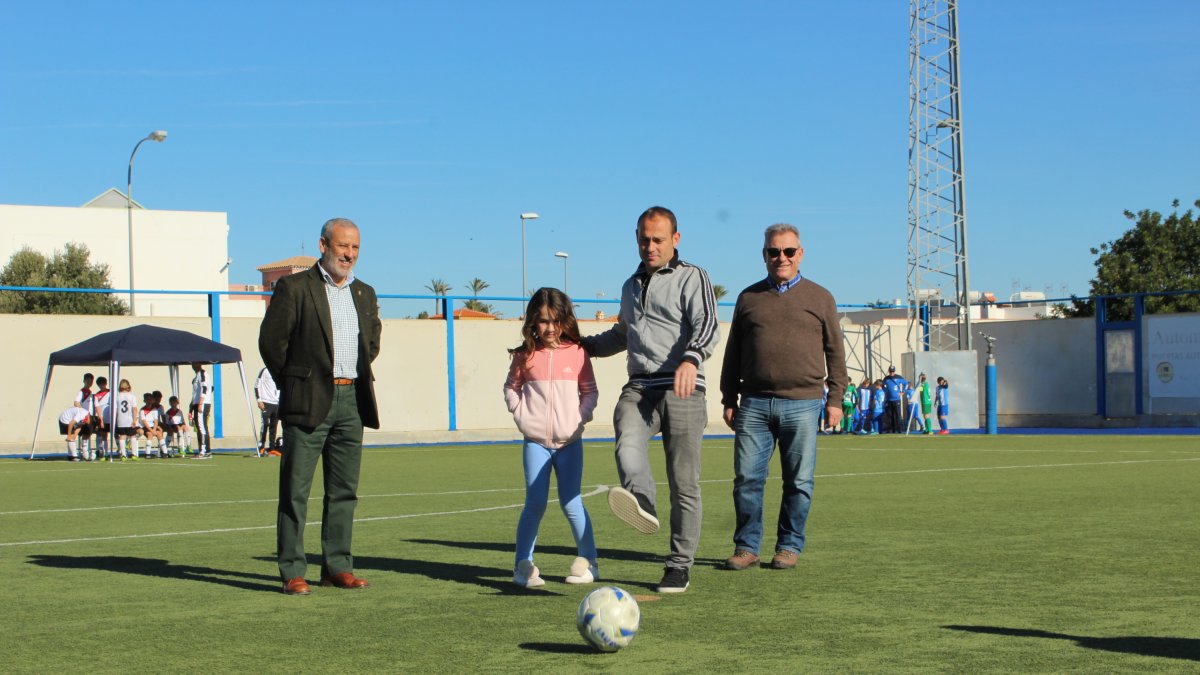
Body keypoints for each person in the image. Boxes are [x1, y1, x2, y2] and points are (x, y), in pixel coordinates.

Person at [581, 205, 720, 594]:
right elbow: (622, 334)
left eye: (658, 239)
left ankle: (678, 566)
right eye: (644, 239)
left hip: (683, 387)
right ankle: (641, 498)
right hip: (640, 385)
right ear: (636, 238)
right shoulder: (630, 286)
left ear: (676, 239)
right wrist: (581, 346)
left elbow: (707, 325)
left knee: (684, 483)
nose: (650, 246)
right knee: (626, 440)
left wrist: (691, 359)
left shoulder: (693, 277)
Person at [259, 217, 382, 596]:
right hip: (308, 400)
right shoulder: (294, 288)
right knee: (295, 491)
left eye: (355, 248)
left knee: (344, 490)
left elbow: (371, 344)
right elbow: (272, 343)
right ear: (324, 245)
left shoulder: (364, 292)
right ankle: (292, 570)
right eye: (343, 246)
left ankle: (337, 566)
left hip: (352, 401)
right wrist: (296, 384)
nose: (349, 254)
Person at [720, 223, 848, 571]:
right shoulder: (748, 298)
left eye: (788, 251)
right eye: (774, 251)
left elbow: (836, 353)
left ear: (800, 254)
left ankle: (788, 547)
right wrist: (729, 397)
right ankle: (747, 548)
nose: (781, 257)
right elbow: (733, 352)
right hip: (755, 404)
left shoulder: (821, 298)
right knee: (747, 480)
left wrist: (835, 398)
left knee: (800, 482)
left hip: (804, 404)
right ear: (764, 255)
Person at [503, 287, 600, 588]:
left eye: (555, 321)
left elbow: (590, 391)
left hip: (570, 443)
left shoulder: (578, 353)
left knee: (572, 503)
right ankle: (523, 566)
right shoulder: (524, 356)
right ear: (533, 321)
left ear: (565, 320)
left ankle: (589, 562)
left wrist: (578, 419)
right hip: (536, 444)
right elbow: (510, 388)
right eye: (543, 321)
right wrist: (521, 416)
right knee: (534, 505)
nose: (549, 328)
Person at [255, 366, 282, 457]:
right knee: (265, 424)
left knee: (274, 426)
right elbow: (256, 386)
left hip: (277, 403)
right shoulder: (264, 370)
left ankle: (272, 448)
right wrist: (259, 400)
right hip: (266, 402)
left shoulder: (280, 370)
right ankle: (261, 446)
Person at [190, 363, 212, 457]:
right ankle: (203, 450)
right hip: (196, 403)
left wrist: (201, 402)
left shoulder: (202, 374)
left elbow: (205, 388)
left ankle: (204, 451)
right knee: (199, 427)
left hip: (202, 404)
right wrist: (191, 407)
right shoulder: (196, 376)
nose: (193, 365)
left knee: (202, 426)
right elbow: (195, 392)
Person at [114, 379, 140, 460]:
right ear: (128, 386)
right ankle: (134, 454)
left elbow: (115, 409)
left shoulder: (117, 396)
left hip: (120, 420)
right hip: (129, 419)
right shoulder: (132, 396)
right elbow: (134, 409)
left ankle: (123, 455)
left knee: (122, 437)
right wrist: (135, 419)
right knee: (132, 436)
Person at [73, 373, 95, 460]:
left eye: (91, 381)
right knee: (84, 433)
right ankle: (83, 451)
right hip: (84, 417)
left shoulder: (89, 392)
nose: (89, 382)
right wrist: (82, 411)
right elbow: (76, 402)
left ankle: (85, 451)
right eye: (88, 380)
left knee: (88, 433)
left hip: (89, 416)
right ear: (84, 381)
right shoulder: (82, 391)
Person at [882, 366, 908, 433]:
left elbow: (906, 384)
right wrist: (886, 392)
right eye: (890, 371)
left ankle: (899, 429)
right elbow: (883, 386)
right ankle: (891, 429)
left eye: (893, 371)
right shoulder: (886, 378)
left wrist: (903, 392)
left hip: (896, 399)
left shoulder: (899, 377)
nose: (892, 373)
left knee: (897, 414)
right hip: (889, 399)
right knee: (890, 415)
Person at [92, 376, 112, 460]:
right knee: (102, 434)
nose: (102, 386)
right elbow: (97, 407)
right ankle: (101, 452)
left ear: (106, 383)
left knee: (115, 434)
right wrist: (99, 418)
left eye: (103, 384)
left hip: (110, 417)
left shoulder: (111, 392)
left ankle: (111, 452)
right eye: (100, 384)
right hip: (102, 417)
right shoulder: (97, 395)